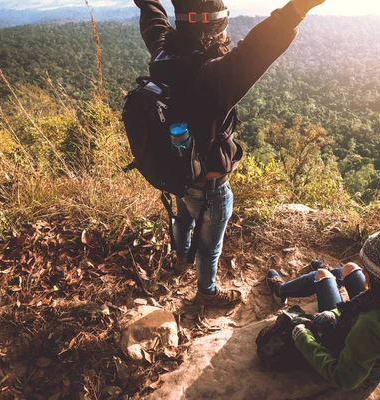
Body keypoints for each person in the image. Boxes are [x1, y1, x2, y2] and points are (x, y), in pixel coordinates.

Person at [134, 0, 330, 307]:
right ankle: (206, 292)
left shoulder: (162, 53)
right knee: (209, 247)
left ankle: (180, 260)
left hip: (177, 173)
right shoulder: (216, 77)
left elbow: (152, 17)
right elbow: (263, 43)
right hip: (209, 185)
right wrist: (298, 7)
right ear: (215, 30)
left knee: (184, 220)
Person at [266, 219, 380, 390]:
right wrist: (334, 313)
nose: (363, 272)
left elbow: (344, 379)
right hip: (373, 341)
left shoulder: (370, 326)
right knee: (349, 268)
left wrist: (302, 337)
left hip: (346, 345)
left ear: (378, 279)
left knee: (322, 275)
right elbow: (365, 310)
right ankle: (330, 276)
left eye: (366, 269)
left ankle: (281, 291)